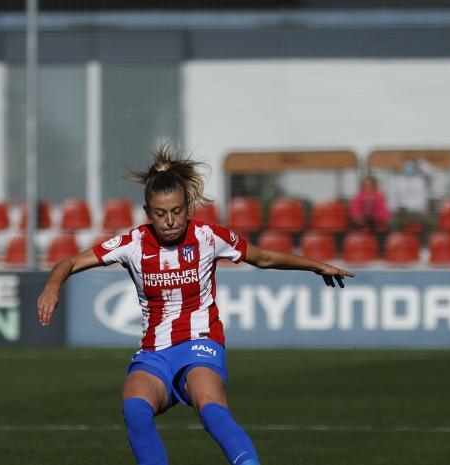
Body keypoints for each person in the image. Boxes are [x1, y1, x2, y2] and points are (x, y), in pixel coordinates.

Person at [36, 145, 354, 465]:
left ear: (188, 207)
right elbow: (70, 262)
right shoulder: (132, 243)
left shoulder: (209, 237)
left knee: (210, 406)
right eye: (161, 214)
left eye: (176, 210)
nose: (170, 220)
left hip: (200, 344)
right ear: (148, 212)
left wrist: (316, 265)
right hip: (155, 352)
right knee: (134, 408)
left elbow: (266, 257)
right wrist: (52, 286)